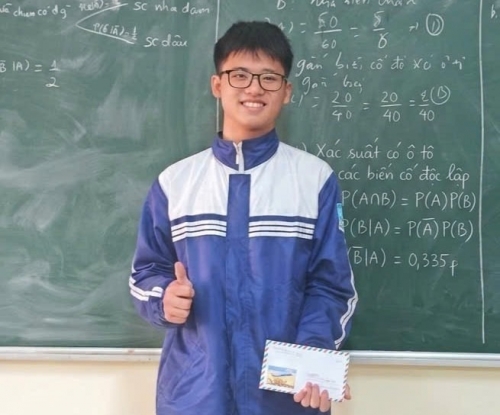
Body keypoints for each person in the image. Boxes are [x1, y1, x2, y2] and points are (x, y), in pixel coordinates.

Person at [129, 20, 358, 415]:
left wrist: (313, 353)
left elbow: (332, 286)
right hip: (193, 397)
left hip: (284, 399)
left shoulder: (314, 180)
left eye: (269, 77)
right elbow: (145, 273)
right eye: (240, 75)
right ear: (217, 85)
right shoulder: (175, 183)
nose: (254, 88)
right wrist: (163, 298)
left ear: (286, 91)